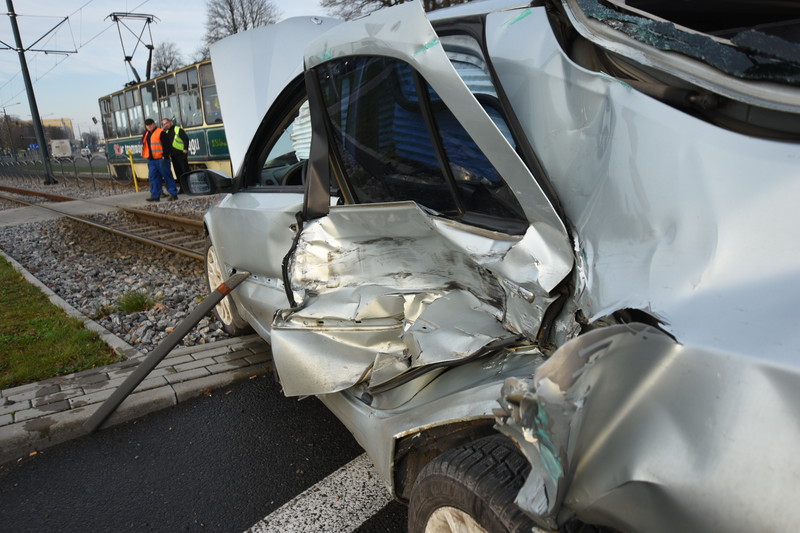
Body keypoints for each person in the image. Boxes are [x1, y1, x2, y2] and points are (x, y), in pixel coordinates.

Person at [142, 118, 179, 202]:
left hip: (161, 159)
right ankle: (155, 195)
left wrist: (165, 156)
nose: (149, 126)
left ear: (154, 124)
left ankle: (173, 194)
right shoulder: (147, 134)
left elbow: (167, 145)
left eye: (151, 124)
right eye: (147, 125)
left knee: (167, 176)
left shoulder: (161, 132)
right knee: (153, 178)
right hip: (151, 160)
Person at [161, 117, 190, 188]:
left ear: (170, 122)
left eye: (166, 123)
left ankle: (188, 187)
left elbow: (185, 139)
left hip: (181, 154)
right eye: (164, 124)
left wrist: (185, 149)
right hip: (173, 155)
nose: (166, 125)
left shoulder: (177, 129)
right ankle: (182, 188)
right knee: (178, 172)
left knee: (185, 171)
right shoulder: (166, 132)